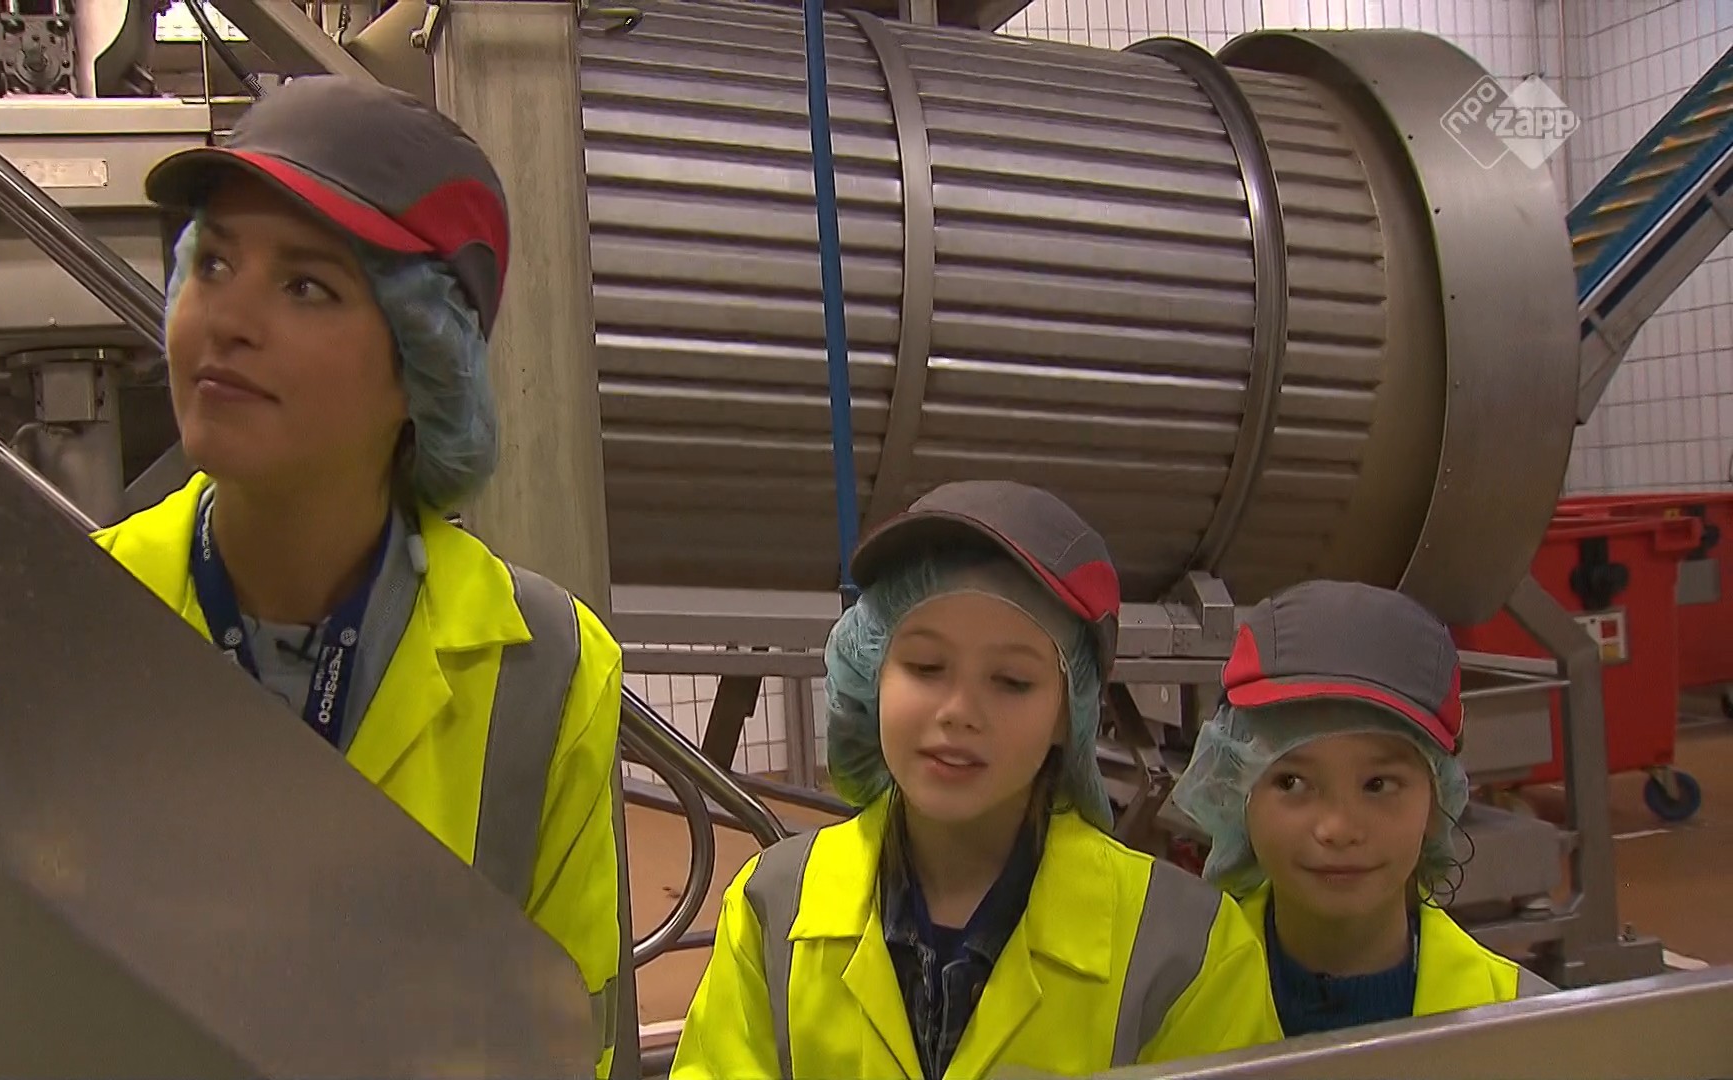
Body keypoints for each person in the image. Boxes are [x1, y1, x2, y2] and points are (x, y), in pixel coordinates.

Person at [92, 75, 623, 1072]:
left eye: (307, 287)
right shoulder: (78, 617)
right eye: (214, 262)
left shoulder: (542, 669)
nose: (227, 318)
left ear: (424, 366)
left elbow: (561, 1042)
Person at [671, 480, 1281, 1080]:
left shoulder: (1186, 952)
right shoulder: (772, 910)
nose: (959, 711)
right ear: (872, 672)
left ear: (1071, 712)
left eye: (1011, 680)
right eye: (925, 666)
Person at [1169, 580, 1557, 1039]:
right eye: (1292, 782)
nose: (1338, 827)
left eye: (1378, 785)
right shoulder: (1171, 1009)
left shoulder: (1525, 1029)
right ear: (1237, 792)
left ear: (1438, 799)